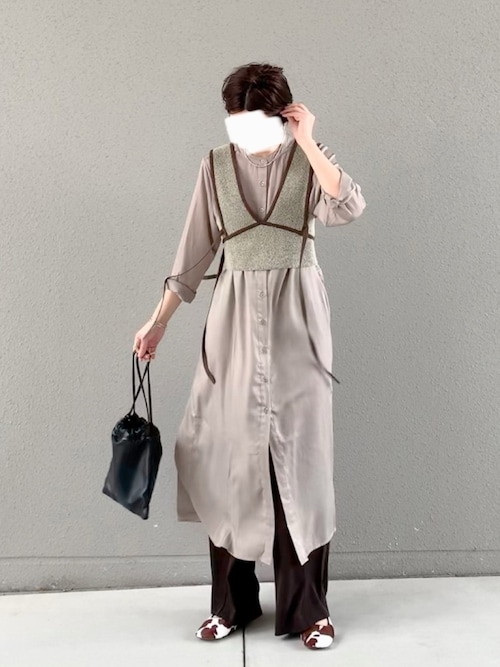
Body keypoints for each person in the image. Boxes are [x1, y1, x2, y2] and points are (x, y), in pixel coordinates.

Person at [133, 62, 366, 650]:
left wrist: (308, 139)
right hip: (233, 325)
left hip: (299, 325)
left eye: (254, 119)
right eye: (234, 120)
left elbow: (347, 206)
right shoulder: (214, 166)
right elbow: (191, 256)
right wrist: (158, 322)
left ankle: (309, 610)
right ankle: (231, 604)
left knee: (301, 465)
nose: (241, 131)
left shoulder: (308, 160)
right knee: (230, 462)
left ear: (283, 115)